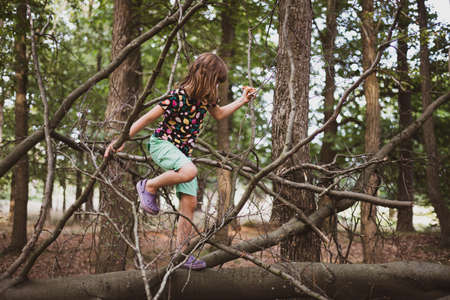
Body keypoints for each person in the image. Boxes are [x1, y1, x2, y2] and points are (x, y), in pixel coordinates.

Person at [104, 52, 256, 270]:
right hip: (162, 145)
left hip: (183, 155)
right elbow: (147, 118)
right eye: (216, 81)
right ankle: (149, 186)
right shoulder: (177, 96)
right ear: (204, 76)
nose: (217, 87)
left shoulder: (207, 100)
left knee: (190, 203)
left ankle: (181, 255)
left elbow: (220, 114)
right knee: (190, 171)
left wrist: (243, 100)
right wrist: (121, 141)